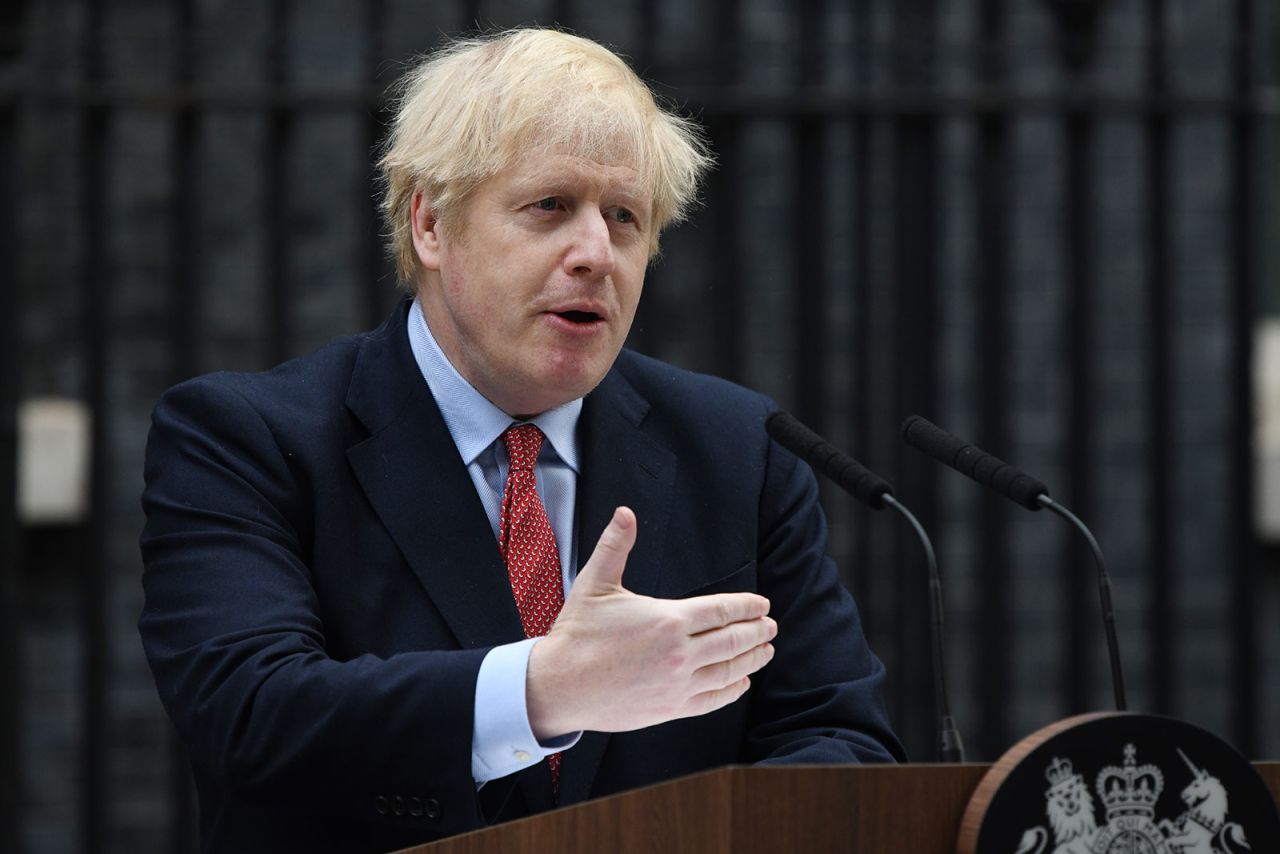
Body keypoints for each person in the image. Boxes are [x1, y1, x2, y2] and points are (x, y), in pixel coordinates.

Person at [139, 27, 904, 853]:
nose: (595, 254)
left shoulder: (738, 447)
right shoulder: (248, 439)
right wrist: (545, 690)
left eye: (625, 218)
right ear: (430, 225)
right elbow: (251, 717)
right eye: (549, 207)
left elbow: (841, 743)